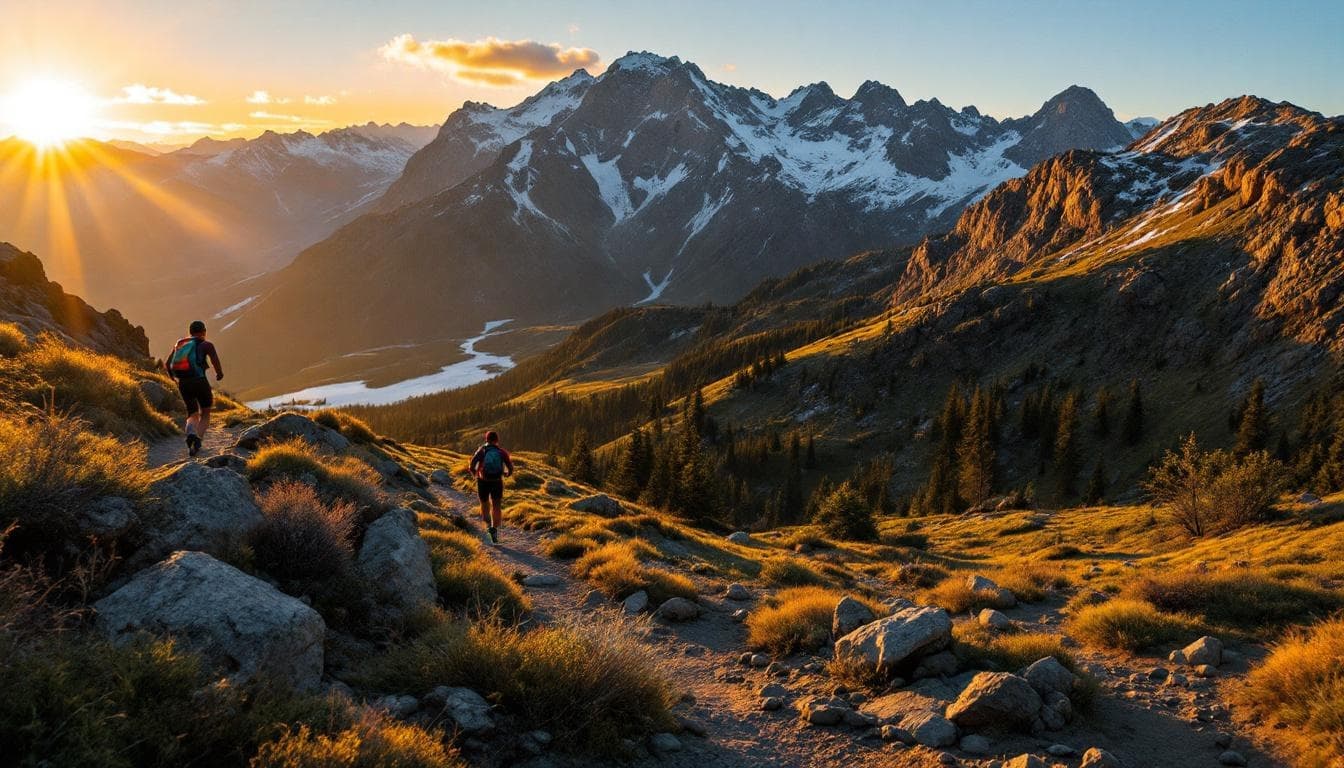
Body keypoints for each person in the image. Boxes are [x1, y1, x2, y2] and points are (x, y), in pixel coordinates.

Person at [165, 320, 223, 457]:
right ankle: (197, 440)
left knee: (192, 413)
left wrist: (173, 378)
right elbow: (214, 359)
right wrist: (219, 373)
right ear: (204, 332)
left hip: (184, 383)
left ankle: (190, 432)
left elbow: (168, 364)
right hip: (200, 381)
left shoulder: (180, 344)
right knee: (206, 412)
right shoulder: (206, 344)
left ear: (190, 332)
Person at [469, 430, 513, 544]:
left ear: (486, 439)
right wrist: (507, 474)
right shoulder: (501, 452)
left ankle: (488, 524)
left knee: (484, 503)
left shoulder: (482, 450)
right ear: (497, 440)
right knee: (496, 505)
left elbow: (472, 465)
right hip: (497, 481)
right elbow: (510, 467)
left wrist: (475, 474)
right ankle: (494, 529)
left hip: (483, 481)